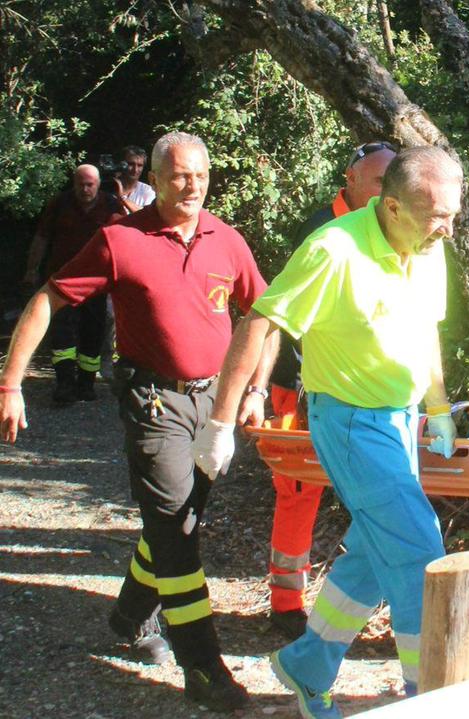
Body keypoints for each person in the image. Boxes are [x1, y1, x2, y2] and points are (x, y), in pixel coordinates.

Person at [193, 145, 463, 718]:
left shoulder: (429, 246)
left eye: (453, 214)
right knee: (419, 552)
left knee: (372, 549)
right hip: (349, 422)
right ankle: (430, 698)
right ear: (391, 207)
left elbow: (424, 333)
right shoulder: (333, 249)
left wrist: (436, 406)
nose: (446, 228)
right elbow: (259, 320)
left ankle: (307, 664)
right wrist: (221, 420)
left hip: (400, 418)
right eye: (434, 214)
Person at [1, 132, 265, 711]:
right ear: (157, 178)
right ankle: (203, 667)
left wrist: (257, 388)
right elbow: (48, 298)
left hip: (213, 407)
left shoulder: (228, 240)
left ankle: (129, 613)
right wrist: (11, 383)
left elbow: (263, 314)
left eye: (199, 175)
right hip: (154, 404)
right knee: (177, 529)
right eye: (178, 176)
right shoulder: (121, 240)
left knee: (178, 519)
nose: (191, 185)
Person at [249, 140, 398, 640]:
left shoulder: (388, 228)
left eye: (391, 182)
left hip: (361, 387)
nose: (384, 191)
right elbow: (277, 317)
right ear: (350, 179)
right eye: (377, 181)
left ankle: (350, 603)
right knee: (298, 489)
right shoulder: (321, 232)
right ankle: (286, 603)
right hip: (301, 382)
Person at [23, 164, 125, 404]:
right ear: (74, 183)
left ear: (99, 185)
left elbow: (124, 241)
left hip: (96, 283)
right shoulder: (60, 204)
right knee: (62, 334)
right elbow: (42, 238)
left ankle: (87, 384)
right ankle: (64, 384)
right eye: (81, 184)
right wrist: (31, 270)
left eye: (90, 184)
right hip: (62, 280)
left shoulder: (111, 207)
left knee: (93, 332)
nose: (85, 189)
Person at [115, 145, 156, 213]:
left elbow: (146, 216)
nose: (135, 169)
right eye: (131, 164)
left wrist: (122, 198)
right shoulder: (109, 186)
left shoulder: (147, 191)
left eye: (139, 165)